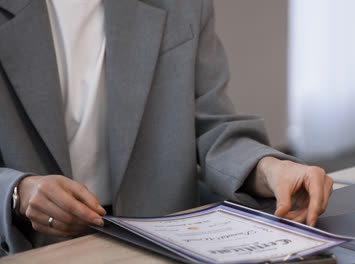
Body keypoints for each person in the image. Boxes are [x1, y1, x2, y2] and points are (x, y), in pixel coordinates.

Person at [0, 0, 333, 256]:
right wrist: (18, 191)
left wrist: (270, 168)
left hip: (161, 246)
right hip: (29, 246)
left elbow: (209, 122)